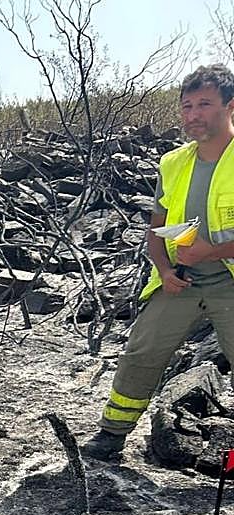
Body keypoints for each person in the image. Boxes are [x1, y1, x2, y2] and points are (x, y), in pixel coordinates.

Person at [83, 65, 234, 461]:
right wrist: (165, 271)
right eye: (187, 106)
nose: (193, 115)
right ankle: (112, 435)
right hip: (181, 281)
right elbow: (156, 229)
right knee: (142, 351)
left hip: (229, 282)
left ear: (230, 106)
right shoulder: (173, 163)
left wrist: (211, 252)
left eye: (204, 104)